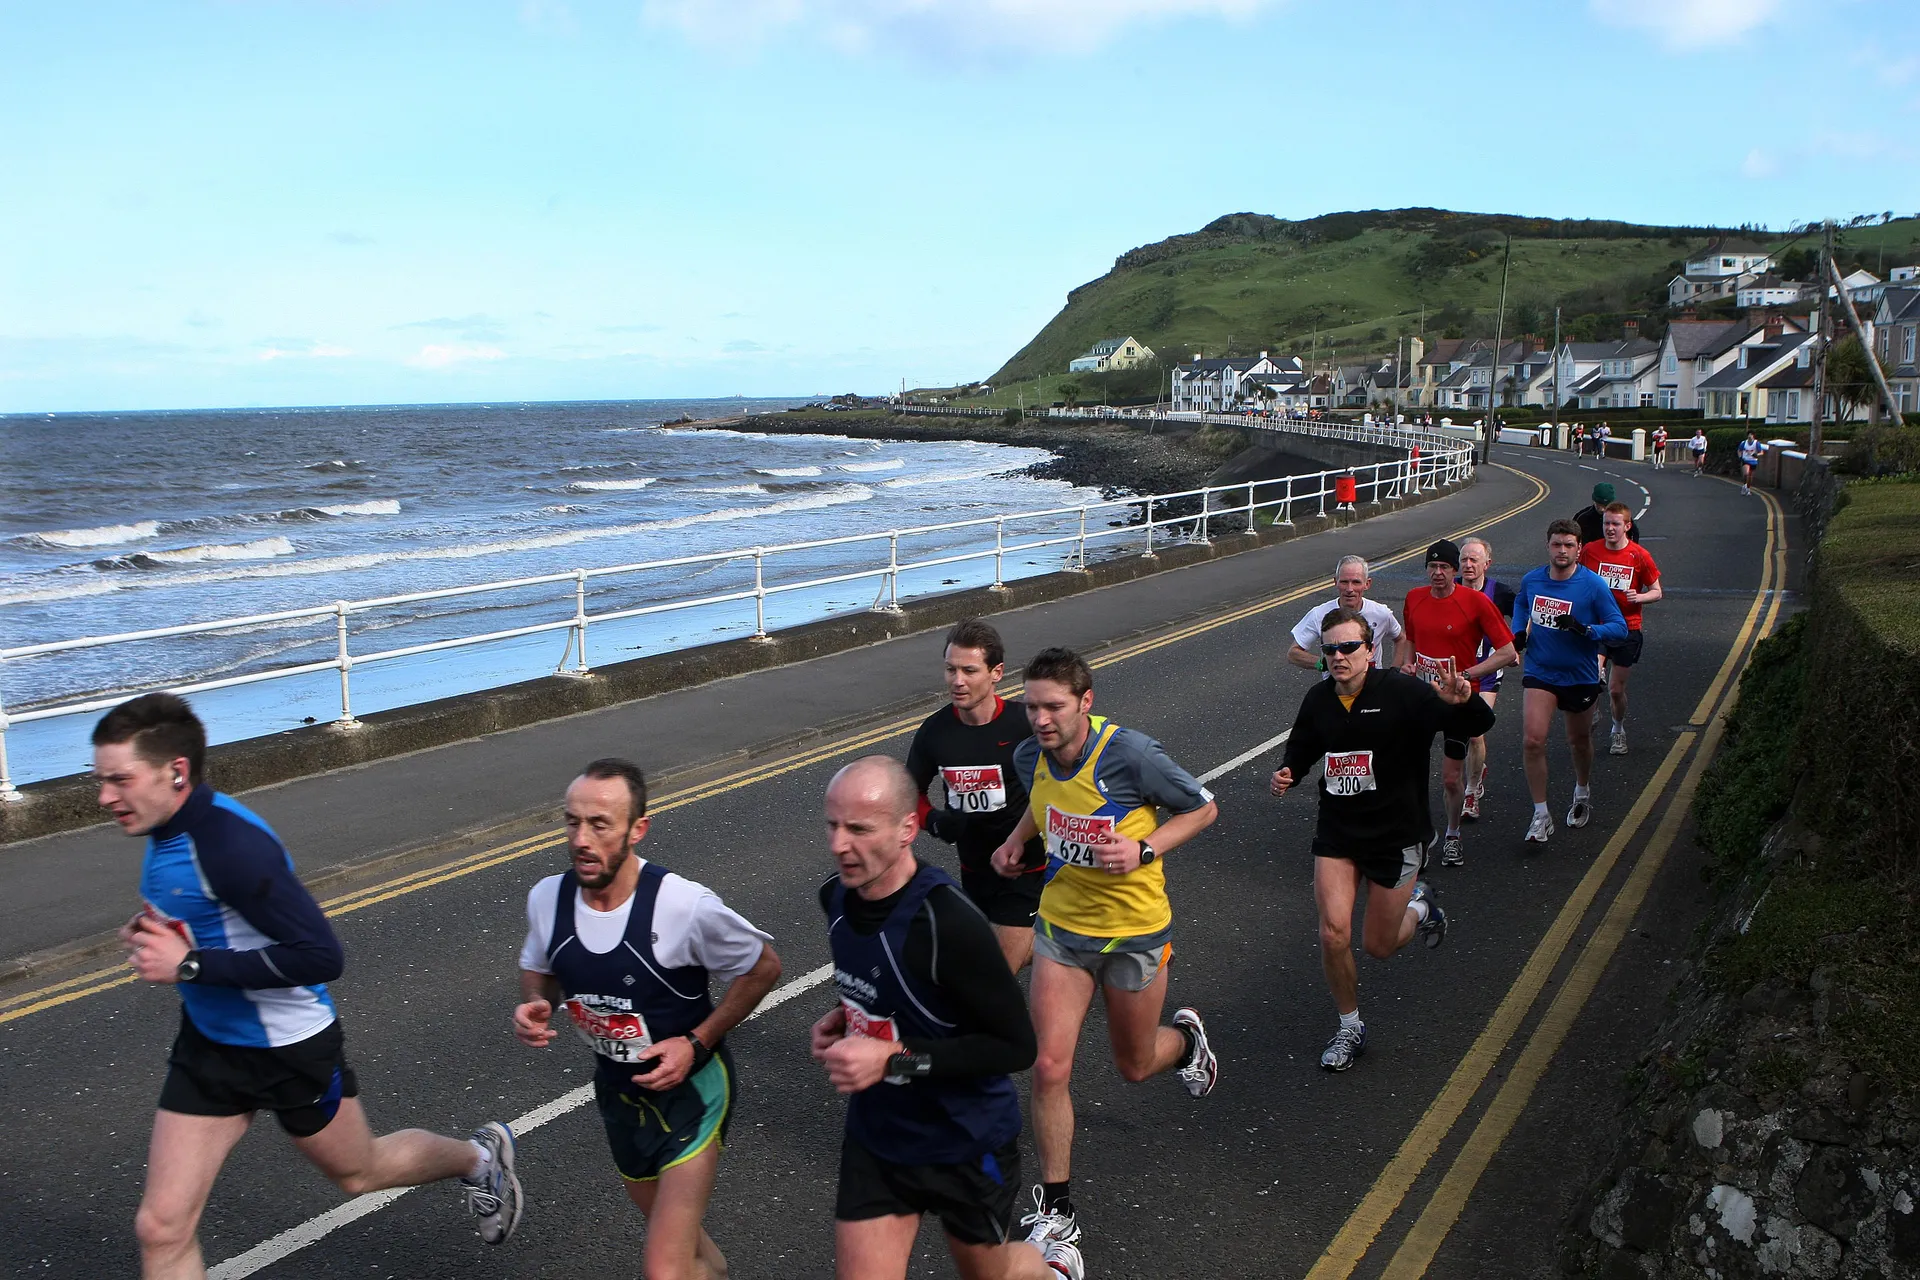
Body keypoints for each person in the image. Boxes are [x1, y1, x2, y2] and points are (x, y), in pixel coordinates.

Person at [95, 693, 522, 1280]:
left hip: (288, 1048)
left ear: (176, 772)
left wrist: (191, 966)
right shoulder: (167, 827)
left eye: (119, 780)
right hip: (211, 1044)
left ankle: (480, 1160)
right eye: (100, 780)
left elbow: (320, 956)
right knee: (161, 1227)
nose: (105, 797)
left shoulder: (230, 846)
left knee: (359, 1173)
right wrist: (160, 932)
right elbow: (218, 921)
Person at [512, 758, 781, 1280]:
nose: (582, 839)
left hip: (693, 1095)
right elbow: (536, 965)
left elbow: (763, 967)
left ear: (638, 829)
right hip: (618, 1097)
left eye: (600, 824)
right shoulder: (547, 898)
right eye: (572, 822)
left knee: (664, 1265)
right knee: (688, 1252)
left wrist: (697, 1043)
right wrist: (534, 1002)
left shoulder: (682, 906)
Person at [814, 757, 1083, 1280]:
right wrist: (847, 1017)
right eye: (833, 825)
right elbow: (894, 985)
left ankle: (1050, 1269)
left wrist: (892, 1057)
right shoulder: (836, 898)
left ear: (906, 829)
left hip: (966, 1140)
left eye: (860, 829)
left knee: (994, 1274)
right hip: (881, 1137)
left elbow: (1014, 1047)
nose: (840, 844)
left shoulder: (949, 923)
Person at [988, 647, 1219, 1249]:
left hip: (1134, 934)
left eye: (1054, 707)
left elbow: (1202, 808)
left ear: (1085, 703)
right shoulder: (1026, 755)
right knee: (1047, 1066)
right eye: (1031, 706)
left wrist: (1145, 850)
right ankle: (1058, 1207)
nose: (1040, 720)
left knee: (1134, 1066)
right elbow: (1046, 809)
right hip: (1061, 932)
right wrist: (1016, 842)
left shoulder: (1130, 754)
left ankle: (1188, 1040)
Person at [1271, 608, 1491, 1071]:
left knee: (1379, 946)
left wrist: (1463, 700)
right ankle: (1349, 1025)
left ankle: (1422, 907)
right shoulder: (1319, 700)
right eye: (1330, 649)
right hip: (1338, 832)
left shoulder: (1403, 692)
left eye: (1349, 647)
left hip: (1395, 834)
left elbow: (1473, 726)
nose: (1338, 657)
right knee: (1333, 933)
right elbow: (1305, 743)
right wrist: (1290, 771)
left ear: (1370, 651)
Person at [906, 619, 1044, 973]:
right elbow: (909, 795)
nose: (957, 681)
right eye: (950, 669)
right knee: (985, 960)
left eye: (969, 670)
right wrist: (934, 820)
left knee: (991, 976)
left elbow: (1066, 783)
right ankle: (1070, 951)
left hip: (1026, 867)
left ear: (996, 672)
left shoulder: (1024, 725)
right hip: (974, 869)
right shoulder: (935, 732)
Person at [1395, 539, 1516, 867]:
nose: (1437, 573)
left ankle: (1452, 835)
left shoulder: (1474, 602)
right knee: (1410, 771)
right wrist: (1408, 664)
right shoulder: (1413, 598)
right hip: (1422, 697)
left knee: (1450, 778)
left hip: (1458, 699)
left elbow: (1508, 652)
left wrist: (1466, 674)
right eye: (1432, 567)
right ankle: (1418, 837)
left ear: (1454, 571)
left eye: (1444, 567)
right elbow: (1412, 637)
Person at [1512, 521, 1630, 844]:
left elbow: (1619, 628)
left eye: (1568, 545)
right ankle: (1541, 814)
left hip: (1579, 675)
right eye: (1556, 545)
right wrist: (1519, 631)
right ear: (1547, 546)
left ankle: (1581, 790)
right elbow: (1522, 603)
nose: (1561, 551)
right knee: (1533, 740)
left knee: (1578, 741)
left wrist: (1586, 630)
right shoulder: (1532, 579)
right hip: (1541, 670)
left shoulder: (1593, 586)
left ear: (1579, 548)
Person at [1579, 505, 1663, 757]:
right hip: (1598, 626)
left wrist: (1639, 596)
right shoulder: (1591, 551)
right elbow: (1576, 578)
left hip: (1628, 628)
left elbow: (1657, 591)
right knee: (1592, 674)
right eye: (1606, 524)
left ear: (1627, 526)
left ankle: (1618, 728)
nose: (1610, 529)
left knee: (1616, 690)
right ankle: (1592, 710)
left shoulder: (1639, 556)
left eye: (1615, 524)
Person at [1456, 537, 1517, 824]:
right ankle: (1475, 771)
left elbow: (1522, 618)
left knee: (1475, 731)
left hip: (1488, 670)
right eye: (1464, 559)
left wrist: (1514, 648)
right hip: (1456, 672)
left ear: (1486, 564)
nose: (1468, 565)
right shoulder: (1449, 589)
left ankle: (1470, 792)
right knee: (1458, 734)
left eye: (1474, 560)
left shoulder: (1500, 593)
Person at [1287, 554, 1404, 674]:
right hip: (1335, 688)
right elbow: (1293, 653)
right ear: (1335, 582)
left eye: (1356, 582)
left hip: (1372, 687)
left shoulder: (1381, 613)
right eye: (1344, 582)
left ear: (1367, 584)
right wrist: (1323, 663)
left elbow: (1400, 638)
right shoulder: (1319, 614)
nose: (1349, 589)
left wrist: (1394, 671)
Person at [1572, 481, 1639, 546]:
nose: (1602, 509)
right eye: (1599, 505)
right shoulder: (1583, 519)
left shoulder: (1621, 516)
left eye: (1605, 505)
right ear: (1594, 501)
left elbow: (1634, 534)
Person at [1738, 431, 1764, 495]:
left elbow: (1761, 452)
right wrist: (1740, 457)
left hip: (1753, 461)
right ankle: (1744, 486)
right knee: (1746, 474)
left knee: (1750, 476)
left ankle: (1748, 489)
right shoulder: (1744, 443)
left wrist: (1756, 455)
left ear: (1753, 436)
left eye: (1751, 435)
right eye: (1749, 435)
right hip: (1745, 460)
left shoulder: (1756, 443)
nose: (1750, 436)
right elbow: (1739, 450)